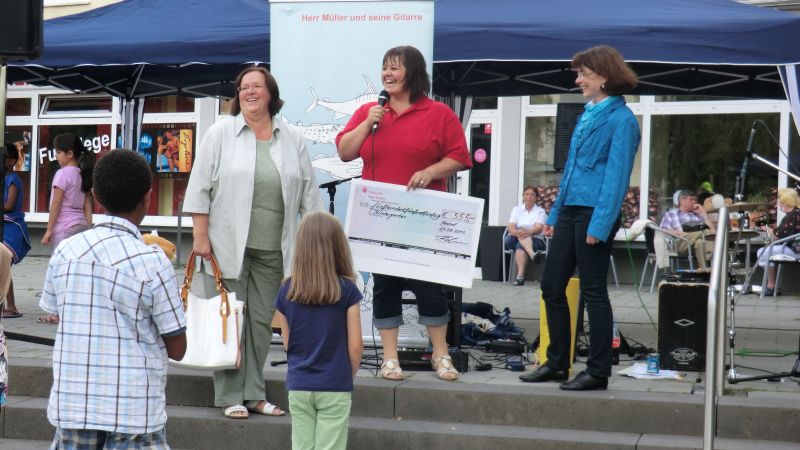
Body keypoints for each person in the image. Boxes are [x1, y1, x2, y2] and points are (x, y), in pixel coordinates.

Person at [184, 66, 323, 419]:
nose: (249, 92)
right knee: (230, 321)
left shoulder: (292, 139)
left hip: (274, 249)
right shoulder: (220, 132)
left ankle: (255, 394)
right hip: (224, 246)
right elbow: (199, 187)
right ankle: (230, 396)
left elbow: (309, 196)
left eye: (257, 86)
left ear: (270, 93)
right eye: (243, 87)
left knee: (261, 324)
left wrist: (315, 245)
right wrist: (200, 237)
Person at [336, 45, 472, 382]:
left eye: (395, 67)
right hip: (379, 217)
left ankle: (440, 354)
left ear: (413, 73)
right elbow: (344, 151)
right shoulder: (370, 112)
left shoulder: (438, 113)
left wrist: (430, 171)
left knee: (429, 285)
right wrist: (367, 123)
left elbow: (460, 156)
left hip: (424, 216)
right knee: (385, 285)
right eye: (385, 67)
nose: (388, 73)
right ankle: (390, 358)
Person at [40, 149, 186, 449]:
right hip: (134, 410)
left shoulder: (67, 251)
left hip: (73, 405)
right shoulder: (153, 261)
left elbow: (56, 309)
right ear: (148, 197)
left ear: (95, 196)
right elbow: (178, 348)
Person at [519, 45, 640, 391]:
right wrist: (555, 212)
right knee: (551, 286)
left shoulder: (622, 119)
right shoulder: (587, 113)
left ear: (604, 76)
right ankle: (557, 363)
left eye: (583, 74)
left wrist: (600, 224)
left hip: (594, 213)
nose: (578, 80)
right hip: (570, 210)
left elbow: (617, 178)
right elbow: (570, 169)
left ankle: (598, 372)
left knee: (593, 291)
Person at [274, 211, 363, 450]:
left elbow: (288, 343)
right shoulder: (348, 290)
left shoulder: (286, 290)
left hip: (299, 382)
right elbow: (356, 347)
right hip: (335, 382)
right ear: (338, 247)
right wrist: (346, 375)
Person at [39, 133, 95, 325]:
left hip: (64, 228)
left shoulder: (62, 174)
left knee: (60, 271)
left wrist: (49, 230)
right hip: (81, 227)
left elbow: (56, 204)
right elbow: (87, 205)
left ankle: (56, 312)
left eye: (58, 152)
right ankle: (76, 309)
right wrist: (89, 228)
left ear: (69, 154)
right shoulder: (82, 174)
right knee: (78, 272)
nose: (56, 156)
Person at [2, 144, 31, 318]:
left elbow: (9, 205)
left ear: (11, 161)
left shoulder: (13, 179)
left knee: (3, 266)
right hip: (5, 227)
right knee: (3, 268)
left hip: (12, 228)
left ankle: (11, 306)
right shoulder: (4, 178)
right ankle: (9, 306)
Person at [756, 188, 800, 296]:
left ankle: (771, 286)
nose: (777, 203)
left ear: (785, 202)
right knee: (767, 251)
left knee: (763, 252)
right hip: (793, 247)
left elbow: (777, 235)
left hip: (796, 250)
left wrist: (765, 228)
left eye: (779, 200)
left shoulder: (792, 216)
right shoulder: (795, 214)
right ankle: (772, 286)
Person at [659, 189, 715, 269]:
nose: (694, 202)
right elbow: (662, 231)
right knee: (706, 232)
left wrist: (703, 213)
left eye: (695, 200)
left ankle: (705, 272)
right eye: (691, 199)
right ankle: (714, 262)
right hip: (680, 243)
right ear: (682, 201)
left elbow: (713, 231)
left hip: (694, 244)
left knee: (700, 243)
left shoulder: (698, 215)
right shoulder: (672, 214)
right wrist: (680, 233)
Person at [505, 185, 548, 286]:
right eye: (527, 194)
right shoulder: (517, 209)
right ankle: (532, 254)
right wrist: (518, 232)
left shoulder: (540, 211)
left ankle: (520, 276)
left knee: (520, 246)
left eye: (532, 195)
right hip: (514, 237)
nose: (529, 197)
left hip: (535, 239)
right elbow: (511, 226)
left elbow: (538, 227)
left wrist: (527, 232)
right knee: (520, 239)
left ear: (536, 198)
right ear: (523, 196)